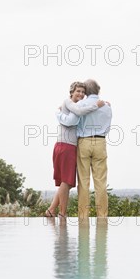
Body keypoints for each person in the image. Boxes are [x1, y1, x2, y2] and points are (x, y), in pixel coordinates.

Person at [45, 81, 105, 219]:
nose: (81, 94)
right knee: (66, 181)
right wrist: (97, 105)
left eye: (83, 92)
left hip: (67, 146)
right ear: (71, 92)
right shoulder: (69, 104)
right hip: (66, 146)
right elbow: (73, 119)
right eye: (78, 91)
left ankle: (51, 210)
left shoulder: (73, 106)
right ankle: (62, 213)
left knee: (65, 183)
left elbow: (77, 115)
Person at [74, 79, 112, 219]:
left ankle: (83, 216)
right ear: (98, 90)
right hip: (100, 141)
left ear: (86, 91)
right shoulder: (107, 107)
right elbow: (107, 126)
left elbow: (75, 124)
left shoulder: (80, 104)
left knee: (83, 182)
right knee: (100, 181)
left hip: (83, 142)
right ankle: (102, 215)